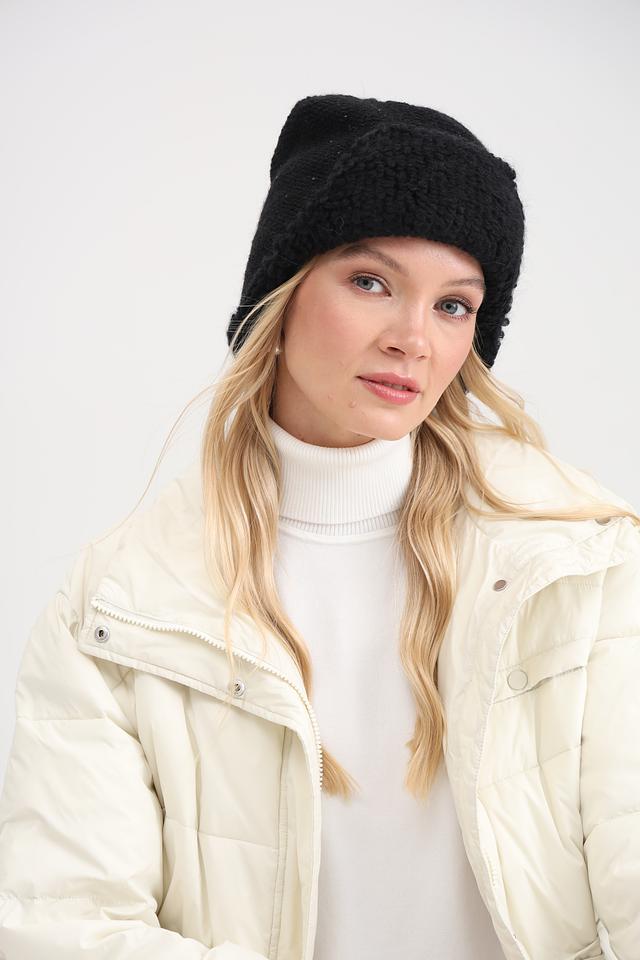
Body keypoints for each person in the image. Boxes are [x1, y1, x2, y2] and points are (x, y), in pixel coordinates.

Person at [0, 93, 639, 960]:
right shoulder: (119, 602)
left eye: (454, 305)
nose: (413, 338)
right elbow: (64, 924)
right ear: (284, 290)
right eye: (371, 282)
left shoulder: (578, 559)